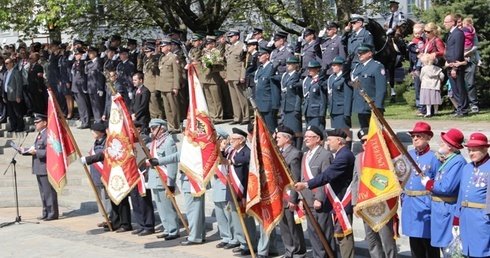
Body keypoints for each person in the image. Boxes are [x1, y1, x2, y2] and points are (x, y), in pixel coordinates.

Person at [294, 128, 356, 258]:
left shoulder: (344, 155)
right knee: (334, 235)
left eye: (329, 140)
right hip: (334, 200)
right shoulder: (339, 154)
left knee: (343, 236)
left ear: (339, 140)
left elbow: (327, 175)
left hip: (342, 200)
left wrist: (306, 185)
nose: (327, 143)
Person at [352, 128, 397, 258]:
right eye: (362, 141)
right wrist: (355, 203)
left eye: (367, 140)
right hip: (365, 204)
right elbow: (355, 181)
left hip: (382, 204)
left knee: (387, 239)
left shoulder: (383, 157)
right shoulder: (358, 158)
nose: (365, 143)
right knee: (371, 240)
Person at [421, 128, 466, 254]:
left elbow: (447, 187)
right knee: (444, 247)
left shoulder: (458, 162)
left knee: (449, 248)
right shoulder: (449, 160)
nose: (440, 144)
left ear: (450, 147)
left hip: (447, 209)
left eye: (443, 142)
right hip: (441, 209)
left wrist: (429, 184)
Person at [403, 122, 441, 258]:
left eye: (419, 136)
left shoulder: (434, 157)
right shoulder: (408, 155)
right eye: (413, 136)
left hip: (425, 204)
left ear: (427, 138)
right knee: (415, 244)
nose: (415, 139)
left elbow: (438, 182)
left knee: (429, 245)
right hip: (409, 204)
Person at [297, 125, 335, 258]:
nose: (306, 139)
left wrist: (320, 198)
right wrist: (301, 199)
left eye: (309, 137)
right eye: (305, 136)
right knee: (313, 232)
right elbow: (302, 178)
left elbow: (325, 179)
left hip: (319, 201)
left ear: (318, 139)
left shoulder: (325, 155)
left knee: (324, 233)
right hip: (307, 200)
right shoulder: (305, 154)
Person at [455, 132, 490, 257]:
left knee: (482, 252)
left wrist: (486, 218)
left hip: (482, 218)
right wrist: (456, 217)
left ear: (484, 149)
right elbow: (461, 193)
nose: (470, 154)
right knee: (467, 252)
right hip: (466, 217)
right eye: (469, 150)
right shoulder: (467, 168)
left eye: (474, 150)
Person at [223, 127, 257, 255]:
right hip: (232, 190)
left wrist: (244, 195)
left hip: (242, 192)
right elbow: (221, 159)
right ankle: (243, 242)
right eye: (231, 139)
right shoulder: (232, 152)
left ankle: (250, 243)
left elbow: (246, 176)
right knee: (236, 219)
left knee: (246, 220)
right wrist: (222, 147)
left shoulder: (246, 153)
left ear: (242, 140)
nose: (231, 141)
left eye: (234, 139)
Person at [145, 118, 181, 240]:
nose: (152, 130)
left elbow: (172, 163)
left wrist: (171, 181)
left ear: (162, 128)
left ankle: (173, 230)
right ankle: (167, 228)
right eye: (151, 128)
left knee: (167, 207)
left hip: (164, 178)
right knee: (160, 207)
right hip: (154, 178)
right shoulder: (154, 142)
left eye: (154, 128)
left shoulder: (168, 142)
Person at [275, 125, 307, 258]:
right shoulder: (279, 152)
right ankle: (289, 251)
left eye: (279, 137)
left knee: (293, 227)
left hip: (289, 196)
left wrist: (293, 199)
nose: (276, 139)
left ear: (287, 139)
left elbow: (295, 179)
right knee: (284, 227)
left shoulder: (295, 154)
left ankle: (299, 252)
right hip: (280, 196)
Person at [21, 113, 58, 220]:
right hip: (39, 167)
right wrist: (25, 150)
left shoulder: (48, 134)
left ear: (45, 122)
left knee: (48, 192)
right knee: (43, 192)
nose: (35, 124)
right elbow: (36, 148)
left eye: (38, 122)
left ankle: (52, 213)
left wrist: (36, 152)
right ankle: (45, 212)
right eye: (35, 122)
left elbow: (50, 151)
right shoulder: (40, 134)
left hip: (46, 167)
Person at [79, 123, 112, 228]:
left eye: (93, 131)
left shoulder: (107, 142)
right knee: (100, 199)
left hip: (104, 175)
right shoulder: (96, 142)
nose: (92, 133)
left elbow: (101, 156)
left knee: (106, 198)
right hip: (96, 175)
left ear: (98, 132)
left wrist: (88, 160)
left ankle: (110, 218)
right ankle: (105, 217)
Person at [212, 127, 240, 249]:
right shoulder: (214, 151)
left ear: (223, 139)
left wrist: (222, 150)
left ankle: (234, 238)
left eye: (217, 139)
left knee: (229, 215)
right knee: (220, 215)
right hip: (217, 184)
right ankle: (225, 236)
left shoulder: (230, 151)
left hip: (226, 184)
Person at [349, 43, 387, 129]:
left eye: (362, 53)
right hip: (360, 106)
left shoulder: (377, 66)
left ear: (370, 53)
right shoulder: (358, 67)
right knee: (364, 133)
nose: (359, 55)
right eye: (359, 53)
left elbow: (381, 88)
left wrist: (378, 106)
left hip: (371, 105)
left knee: (375, 133)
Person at [443, 14, 469, 117]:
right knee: (455, 89)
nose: (444, 24)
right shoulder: (450, 34)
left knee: (460, 88)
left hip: (456, 66)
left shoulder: (458, 33)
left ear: (452, 22)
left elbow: (458, 51)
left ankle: (464, 109)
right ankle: (459, 108)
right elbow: (449, 50)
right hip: (450, 65)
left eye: (446, 22)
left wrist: (455, 67)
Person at [327, 56, 353, 148]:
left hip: (342, 108)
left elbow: (347, 96)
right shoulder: (332, 78)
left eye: (335, 65)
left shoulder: (344, 77)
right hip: (334, 108)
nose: (333, 67)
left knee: (345, 132)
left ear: (341, 66)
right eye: (332, 65)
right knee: (337, 132)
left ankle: (347, 151)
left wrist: (347, 112)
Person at [277, 55, 302, 149]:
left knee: (296, 130)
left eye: (290, 63)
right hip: (285, 105)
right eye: (287, 63)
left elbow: (299, 94)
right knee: (288, 131)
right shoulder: (285, 75)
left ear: (295, 65)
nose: (288, 65)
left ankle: (298, 149)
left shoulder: (297, 75)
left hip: (293, 106)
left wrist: (297, 108)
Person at [225, 28, 248, 125]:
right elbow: (228, 63)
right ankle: (237, 117)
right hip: (230, 75)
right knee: (234, 98)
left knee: (241, 97)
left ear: (237, 37)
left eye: (231, 36)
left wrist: (242, 75)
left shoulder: (242, 46)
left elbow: (244, 62)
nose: (229, 38)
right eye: (229, 36)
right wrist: (226, 76)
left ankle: (246, 116)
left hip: (238, 75)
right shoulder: (229, 47)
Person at [157, 38, 182, 133]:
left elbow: (176, 73)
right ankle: (171, 126)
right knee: (167, 108)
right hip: (163, 86)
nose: (161, 48)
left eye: (163, 46)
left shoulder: (173, 57)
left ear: (169, 47)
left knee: (173, 107)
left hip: (170, 86)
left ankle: (176, 126)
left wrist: (176, 87)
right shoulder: (162, 58)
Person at [254, 47, 280, 133]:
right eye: (258, 55)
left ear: (267, 55)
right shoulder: (260, 69)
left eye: (261, 55)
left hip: (268, 104)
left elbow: (274, 88)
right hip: (259, 103)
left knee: (271, 130)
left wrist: (275, 105)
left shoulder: (271, 68)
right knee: (262, 131)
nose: (258, 57)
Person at [201, 36, 224, 123]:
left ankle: (218, 116)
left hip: (213, 78)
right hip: (206, 78)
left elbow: (219, 63)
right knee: (209, 99)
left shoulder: (216, 52)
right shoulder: (205, 53)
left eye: (208, 44)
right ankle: (212, 115)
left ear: (213, 44)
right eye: (206, 44)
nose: (207, 45)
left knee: (216, 99)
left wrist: (212, 64)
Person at [302, 60, 327, 131]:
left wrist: (322, 113)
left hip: (316, 112)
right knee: (309, 132)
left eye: (311, 68)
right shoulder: (308, 80)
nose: (309, 70)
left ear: (317, 69)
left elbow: (323, 99)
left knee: (317, 133)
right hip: (308, 111)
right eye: (308, 68)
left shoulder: (320, 81)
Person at [3, 57, 26, 132]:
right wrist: (3, 95)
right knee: (11, 112)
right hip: (7, 94)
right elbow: (4, 84)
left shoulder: (16, 72)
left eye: (7, 63)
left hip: (14, 95)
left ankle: (20, 126)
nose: (5, 65)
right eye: (5, 63)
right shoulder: (6, 72)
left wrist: (18, 95)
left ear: (11, 63)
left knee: (17, 112)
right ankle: (13, 125)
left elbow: (19, 84)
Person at [85, 46, 106, 123]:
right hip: (91, 88)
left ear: (95, 53)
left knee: (99, 105)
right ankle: (97, 119)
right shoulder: (89, 63)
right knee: (94, 106)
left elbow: (100, 76)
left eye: (90, 53)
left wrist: (100, 88)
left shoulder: (99, 62)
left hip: (97, 88)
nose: (89, 55)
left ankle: (101, 121)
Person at [419, 53, 444, 117]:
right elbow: (442, 76)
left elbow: (421, 76)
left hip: (426, 85)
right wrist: (440, 80)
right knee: (435, 99)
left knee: (428, 101)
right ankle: (436, 112)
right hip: (435, 85)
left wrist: (422, 80)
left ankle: (428, 112)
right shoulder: (437, 68)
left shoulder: (424, 69)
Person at [142, 41, 162, 119]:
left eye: (148, 52)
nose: (146, 54)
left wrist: (154, 56)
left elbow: (154, 69)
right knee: (150, 107)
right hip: (147, 86)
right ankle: (154, 122)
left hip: (153, 86)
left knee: (155, 107)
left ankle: (159, 122)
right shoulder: (147, 60)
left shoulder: (156, 60)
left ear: (152, 52)